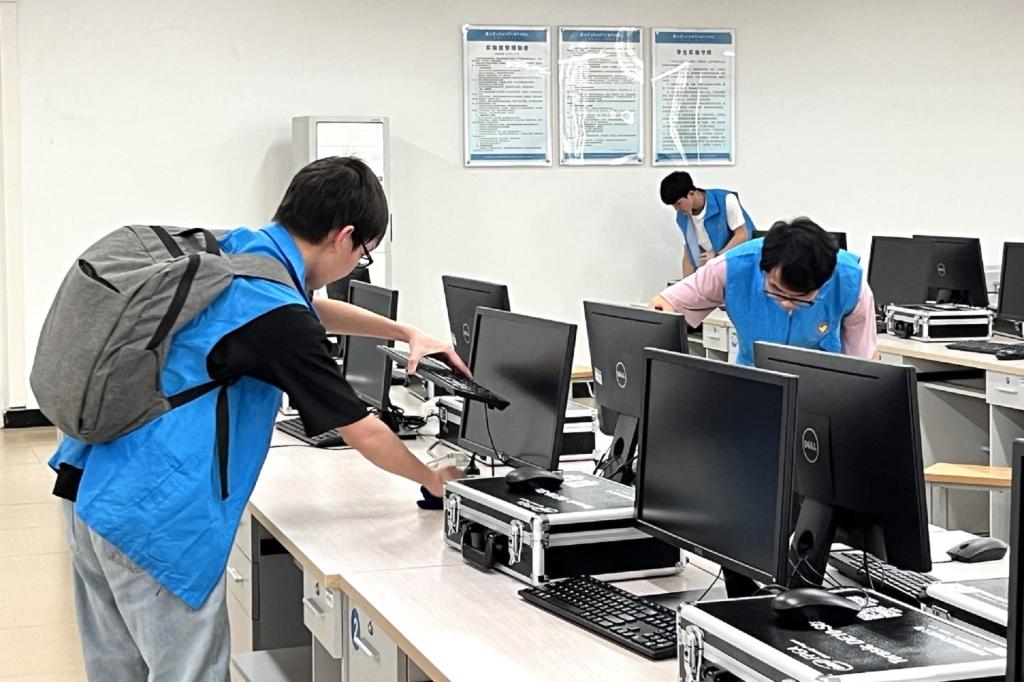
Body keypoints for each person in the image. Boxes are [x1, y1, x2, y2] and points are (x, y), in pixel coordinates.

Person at [48, 156, 464, 680]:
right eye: (365, 254)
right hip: (155, 519)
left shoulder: (241, 249)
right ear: (344, 237)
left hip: (92, 485)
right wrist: (432, 479)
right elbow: (362, 429)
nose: (358, 264)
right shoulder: (277, 313)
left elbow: (306, 308)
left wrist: (404, 332)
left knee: (116, 671)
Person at [649, 217, 878, 366]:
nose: (787, 304)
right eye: (777, 290)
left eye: (802, 298)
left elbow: (864, 360)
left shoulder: (850, 281)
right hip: (752, 381)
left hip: (820, 386)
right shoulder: (732, 267)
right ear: (763, 268)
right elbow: (665, 305)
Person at [660, 171, 756, 278]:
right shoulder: (682, 218)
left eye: (678, 203)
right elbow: (689, 253)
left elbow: (742, 235)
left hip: (744, 265)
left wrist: (717, 256)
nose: (677, 209)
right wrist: (685, 283)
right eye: (673, 206)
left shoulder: (726, 200)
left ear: (691, 193)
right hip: (717, 270)